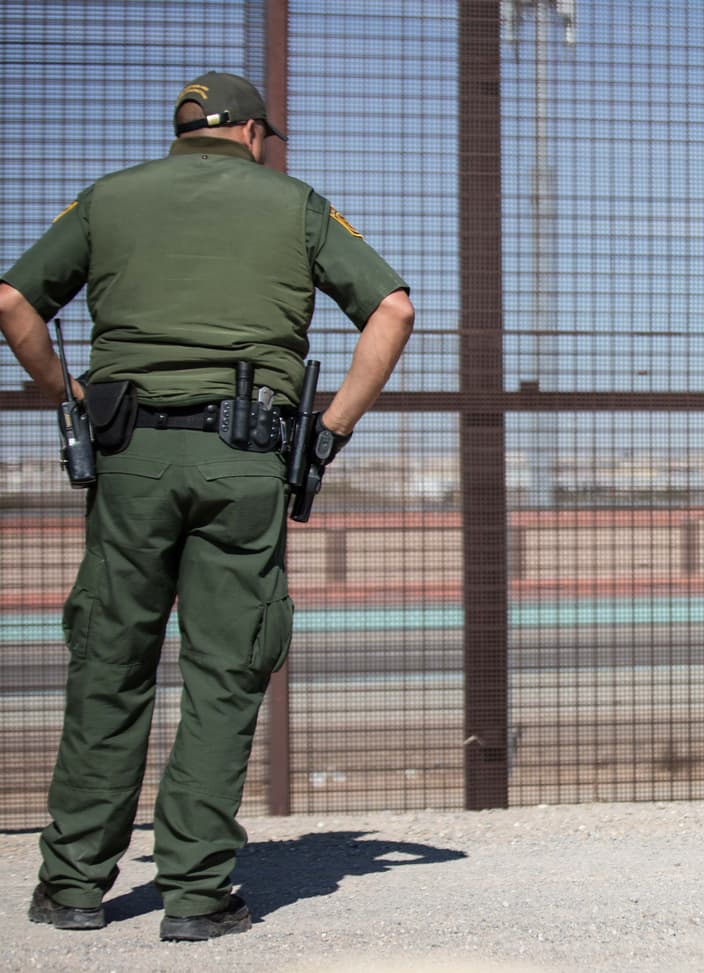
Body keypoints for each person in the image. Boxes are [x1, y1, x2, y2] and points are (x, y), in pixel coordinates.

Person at [0, 71, 414, 939]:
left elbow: (11, 299)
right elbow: (392, 309)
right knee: (226, 672)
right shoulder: (295, 205)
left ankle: (75, 883)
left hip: (129, 458)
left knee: (110, 661)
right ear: (254, 136)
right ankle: (194, 893)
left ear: (183, 133)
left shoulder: (108, 199)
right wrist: (327, 433)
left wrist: (69, 393)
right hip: (247, 458)